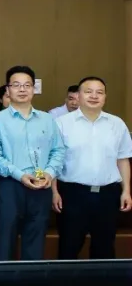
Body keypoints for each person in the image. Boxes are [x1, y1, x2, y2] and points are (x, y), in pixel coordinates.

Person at [0, 65, 65, 261]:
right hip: (10, 185)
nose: (22, 89)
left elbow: (58, 150)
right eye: (16, 85)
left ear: (33, 88)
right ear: (8, 89)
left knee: (36, 240)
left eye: (27, 85)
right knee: (6, 240)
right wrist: (20, 175)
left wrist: (49, 173)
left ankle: (32, 280)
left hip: (42, 185)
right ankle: (5, 280)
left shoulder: (47, 120)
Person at [52, 76, 132, 259]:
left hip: (108, 194)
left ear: (105, 97)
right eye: (88, 92)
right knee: (68, 247)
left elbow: (123, 159)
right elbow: (54, 160)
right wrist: (54, 192)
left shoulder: (117, 124)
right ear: (78, 96)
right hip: (72, 194)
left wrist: (126, 191)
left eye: (99, 92)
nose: (94, 96)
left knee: (105, 248)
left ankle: (102, 280)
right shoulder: (61, 123)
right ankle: (66, 279)